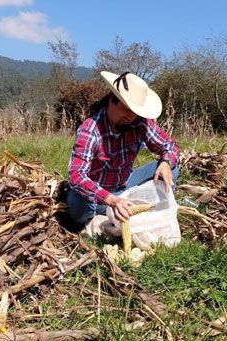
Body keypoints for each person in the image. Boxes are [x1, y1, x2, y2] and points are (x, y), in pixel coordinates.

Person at [66, 71, 180, 226]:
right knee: (80, 209)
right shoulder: (91, 130)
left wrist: (166, 162)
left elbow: (170, 146)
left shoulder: (140, 123)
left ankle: (128, 206)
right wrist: (111, 199)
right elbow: (76, 175)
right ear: (111, 101)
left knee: (171, 169)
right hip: (98, 195)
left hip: (125, 185)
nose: (130, 116)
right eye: (126, 109)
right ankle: (113, 210)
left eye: (135, 112)